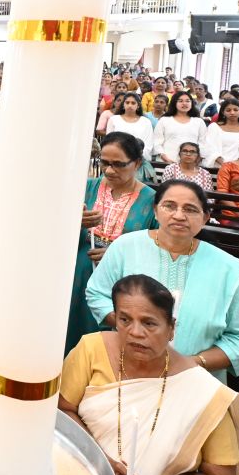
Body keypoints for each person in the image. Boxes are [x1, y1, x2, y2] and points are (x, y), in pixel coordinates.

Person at [61, 275, 239, 475]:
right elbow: (61, 411)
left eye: (148, 323)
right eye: (125, 320)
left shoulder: (205, 395)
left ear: (171, 328)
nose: (135, 332)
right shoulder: (91, 349)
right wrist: (96, 457)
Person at [87, 179, 239, 383]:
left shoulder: (226, 268)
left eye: (190, 209)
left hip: (194, 383)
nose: (179, 216)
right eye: (169, 206)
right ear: (155, 211)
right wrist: (130, 326)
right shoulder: (125, 247)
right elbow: (97, 293)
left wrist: (192, 364)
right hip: (126, 371)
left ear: (205, 218)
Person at [70, 132, 158, 351]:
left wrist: (116, 253)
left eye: (118, 164)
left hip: (121, 279)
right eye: (104, 163)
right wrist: (73, 222)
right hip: (76, 275)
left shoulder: (152, 200)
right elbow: (52, 229)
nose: (109, 170)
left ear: (137, 163)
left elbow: (156, 245)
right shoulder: (84, 188)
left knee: (104, 346)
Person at [152, 91, 208, 165]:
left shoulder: (199, 122)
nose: (184, 103)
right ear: (174, 103)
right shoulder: (164, 120)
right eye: (180, 101)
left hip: (192, 165)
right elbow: (157, 142)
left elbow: (203, 144)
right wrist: (165, 158)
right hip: (166, 163)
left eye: (187, 101)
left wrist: (196, 161)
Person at [204, 100, 239, 168]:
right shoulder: (214, 127)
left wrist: (237, 165)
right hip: (217, 168)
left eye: (235, 110)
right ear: (223, 112)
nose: (232, 113)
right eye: (228, 110)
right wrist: (224, 164)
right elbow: (209, 147)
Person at [107, 93, 154, 160]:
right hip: (117, 158)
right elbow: (109, 141)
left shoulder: (146, 122)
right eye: (127, 102)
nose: (130, 105)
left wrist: (136, 156)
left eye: (133, 103)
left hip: (139, 159)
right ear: (123, 105)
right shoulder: (114, 120)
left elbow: (148, 144)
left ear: (138, 106)